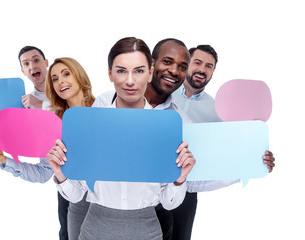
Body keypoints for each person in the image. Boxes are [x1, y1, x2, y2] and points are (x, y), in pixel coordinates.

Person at [93, 40, 275, 240]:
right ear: (151, 66)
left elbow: (195, 175)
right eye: (167, 62)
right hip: (104, 215)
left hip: (155, 212)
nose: (174, 71)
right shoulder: (105, 102)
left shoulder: (180, 122)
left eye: (182, 67)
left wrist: (249, 164)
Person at [46, 37, 196, 240]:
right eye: (121, 70)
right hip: (95, 231)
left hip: (147, 232)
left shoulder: (165, 127)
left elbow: (169, 203)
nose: (130, 81)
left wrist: (179, 179)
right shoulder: (91, 123)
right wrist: (60, 173)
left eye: (139, 71)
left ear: (150, 73)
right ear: (110, 73)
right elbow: (76, 194)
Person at [0, 55, 95, 239]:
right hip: (76, 203)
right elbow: (43, 172)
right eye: (55, 79)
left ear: (79, 76)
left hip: (113, 206)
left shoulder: (105, 108)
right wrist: (5, 160)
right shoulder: (52, 124)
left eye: (66, 74)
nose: (61, 82)